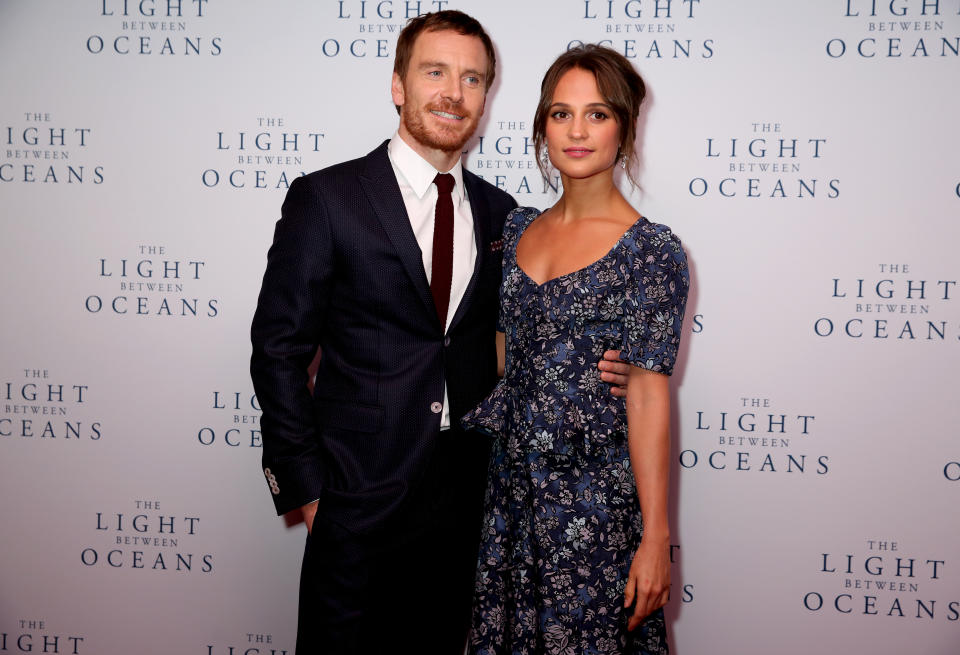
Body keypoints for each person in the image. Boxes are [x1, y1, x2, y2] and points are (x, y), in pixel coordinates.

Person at [249, 12, 632, 654]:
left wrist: (604, 364)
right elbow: (277, 350)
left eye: (472, 78)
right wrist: (308, 490)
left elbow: (521, 341)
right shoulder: (327, 198)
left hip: (466, 504)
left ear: (486, 98)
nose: (453, 92)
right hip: (355, 499)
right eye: (435, 72)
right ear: (398, 85)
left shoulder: (503, 214)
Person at [463, 44, 689, 654]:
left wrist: (655, 538)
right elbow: (506, 356)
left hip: (595, 507)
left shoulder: (652, 253)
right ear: (542, 127)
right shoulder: (514, 231)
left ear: (625, 127)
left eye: (597, 114)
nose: (578, 131)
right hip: (512, 498)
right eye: (561, 114)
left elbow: (646, 397)